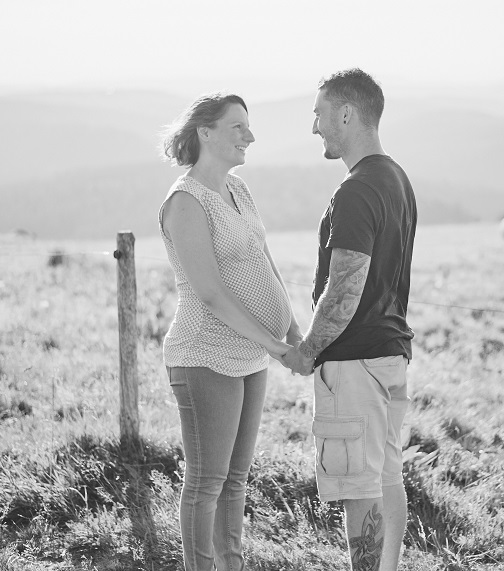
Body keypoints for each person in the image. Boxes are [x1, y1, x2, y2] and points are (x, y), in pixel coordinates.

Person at [281, 69, 417, 571]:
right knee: (385, 476)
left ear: (346, 113)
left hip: (356, 362)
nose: (314, 127)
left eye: (318, 114)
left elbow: (344, 290)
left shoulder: (357, 191)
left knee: (361, 485)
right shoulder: (396, 177)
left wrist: (307, 349)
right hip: (388, 354)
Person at [159, 92, 302, 571]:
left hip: (251, 356)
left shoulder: (238, 190)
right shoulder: (185, 201)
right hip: (204, 355)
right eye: (238, 127)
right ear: (206, 133)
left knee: (236, 479)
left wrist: (294, 331)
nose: (250, 136)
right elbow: (211, 294)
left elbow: (264, 263)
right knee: (206, 482)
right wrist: (277, 347)